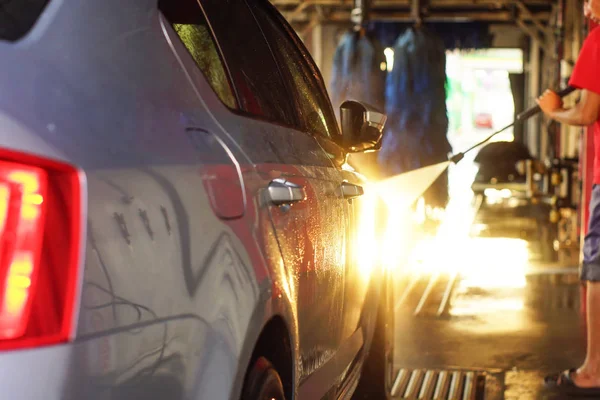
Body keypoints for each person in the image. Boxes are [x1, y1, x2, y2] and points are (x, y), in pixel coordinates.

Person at [538, 1, 600, 395]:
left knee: (597, 272)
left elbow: (586, 113)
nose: (585, 5)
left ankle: (593, 370)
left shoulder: (598, 40)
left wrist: (553, 111)